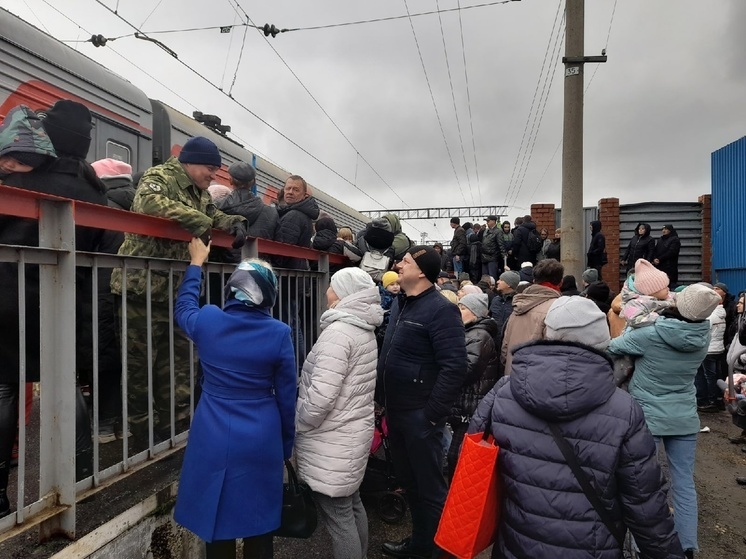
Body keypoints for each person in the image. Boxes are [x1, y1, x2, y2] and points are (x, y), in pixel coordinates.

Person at [469, 296, 684, 559]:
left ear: (548, 332)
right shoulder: (624, 409)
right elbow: (645, 503)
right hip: (593, 548)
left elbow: (472, 459)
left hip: (515, 542)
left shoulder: (504, 391)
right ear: (601, 341)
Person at [0, 100, 109, 515]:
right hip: (65, 305)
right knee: (65, 387)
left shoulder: (20, 180)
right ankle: (78, 479)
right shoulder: (92, 192)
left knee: (6, 386)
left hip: (9, 299)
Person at [110, 136, 248, 443]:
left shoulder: (199, 192)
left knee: (179, 362)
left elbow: (214, 216)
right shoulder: (160, 177)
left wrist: (235, 222)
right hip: (140, 290)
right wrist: (199, 221)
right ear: (191, 161)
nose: (213, 175)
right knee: (139, 366)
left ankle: (176, 425)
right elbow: (149, 203)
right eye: (209, 168)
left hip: (176, 293)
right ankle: (142, 431)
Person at [173, 239, 296, 559]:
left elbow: (184, 308)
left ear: (233, 287)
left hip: (212, 433)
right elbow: (286, 396)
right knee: (260, 526)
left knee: (216, 524)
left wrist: (196, 263)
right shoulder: (279, 333)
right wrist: (284, 445)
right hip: (261, 435)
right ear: (268, 295)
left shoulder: (209, 321)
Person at [608, 283, 722, 557]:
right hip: (684, 417)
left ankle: (639, 546)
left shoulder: (649, 334)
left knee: (642, 486)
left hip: (648, 417)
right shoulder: (703, 336)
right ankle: (688, 546)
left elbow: (612, 346)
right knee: (684, 483)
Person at [377, 246, 467, 559]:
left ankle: (439, 551)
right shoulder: (402, 303)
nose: (398, 265)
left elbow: (455, 366)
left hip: (420, 416)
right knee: (411, 484)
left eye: (406, 261)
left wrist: (431, 416)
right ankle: (420, 544)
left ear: (422, 271)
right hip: (398, 413)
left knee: (430, 490)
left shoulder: (441, 310)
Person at [294, 267, 383, 559]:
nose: (326, 290)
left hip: (331, 440)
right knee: (351, 505)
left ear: (343, 292)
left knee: (338, 519)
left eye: (331, 285)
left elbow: (321, 396)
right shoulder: (362, 328)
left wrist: (300, 421)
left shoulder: (338, 333)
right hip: (350, 436)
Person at [91, 157, 137, 442]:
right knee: (126, 355)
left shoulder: (101, 208)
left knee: (104, 355)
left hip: (101, 289)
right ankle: (124, 421)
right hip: (132, 290)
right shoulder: (137, 206)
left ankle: (104, 425)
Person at [446, 293, 499, 480]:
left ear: (475, 313)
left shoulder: (478, 335)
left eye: (462, 308)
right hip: (466, 402)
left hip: (469, 405)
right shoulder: (471, 332)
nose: (458, 311)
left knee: (457, 457)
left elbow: (466, 370)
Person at [501, 258, 563, 375]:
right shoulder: (558, 308)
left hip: (511, 377)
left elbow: (504, 349)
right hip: (537, 382)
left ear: (534, 280)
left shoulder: (517, 307)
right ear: (561, 282)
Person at [218, 162, 278, 241]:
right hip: (256, 253)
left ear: (230, 181)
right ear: (254, 182)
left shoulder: (218, 207)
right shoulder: (271, 213)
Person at [274, 175, 320, 270]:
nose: (290, 192)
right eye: (288, 188)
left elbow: (282, 251)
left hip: (288, 275)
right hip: (296, 272)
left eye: (296, 190)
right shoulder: (300, 213)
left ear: (304, 195)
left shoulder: (294, 216)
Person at [695, 288, 727, 412]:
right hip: (718, 348)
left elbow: (702, 331)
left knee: (708, 377)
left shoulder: (711, 316)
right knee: (715, 375)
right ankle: (718, 400)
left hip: (708, 350)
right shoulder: (721, 313)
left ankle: (711, 401)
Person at [619, 259, 674, 328]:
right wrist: (659, 316)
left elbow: (677, 296)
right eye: (664, 287)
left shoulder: (665, 295)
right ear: (651, 291)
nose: (668, 289)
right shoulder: (636, 303)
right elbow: (634, 320)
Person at [653, 224, 681, 289]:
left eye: (665, 229)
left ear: (670, 230)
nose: (663, 231)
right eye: (662, 229)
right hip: (660, 266)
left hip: (670, 267)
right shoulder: (661, 239)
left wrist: (660, 259)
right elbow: (656, 249)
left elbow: (672, 252)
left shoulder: (675, 240)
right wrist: (654, 258)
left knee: (670, 286)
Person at [480, 215, 502, 280]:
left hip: (492, 257)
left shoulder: (498, 231)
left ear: (493, 221)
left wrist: (503, 256)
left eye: (488, 221)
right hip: (484, 257)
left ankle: (493, 289)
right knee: (484, 277)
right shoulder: (485, 231)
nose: (487, 222)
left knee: (492, 277)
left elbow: (500, 244)